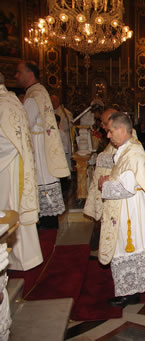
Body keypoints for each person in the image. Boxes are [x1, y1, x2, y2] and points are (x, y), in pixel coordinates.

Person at [98, 112, 145, 307]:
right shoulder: (129, 149)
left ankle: (129, 293)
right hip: (128, 209)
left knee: (126, 248)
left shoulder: (132, 153)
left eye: (110, 131)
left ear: (121, 129)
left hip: (128, 212)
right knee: (129, 248)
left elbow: (125, 188)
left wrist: (105, 184)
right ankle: (131, 290)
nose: (108, 136)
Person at [15, 61, 69, 229]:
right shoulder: (38, 92)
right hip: (42, 145)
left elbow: (24, 124)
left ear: (30, 74)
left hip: (37, 148)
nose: (16, 76)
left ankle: (44, 226)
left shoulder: (33, 96)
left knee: (41, 184)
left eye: (19, 72)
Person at [0, 72, 43, 271]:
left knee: (10, 208)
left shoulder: (4, 104)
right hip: (16, 164)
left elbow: (8, 144)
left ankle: (16, 258)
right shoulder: (12, 100)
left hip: (8, 167)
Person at [83, 108, 118, 222]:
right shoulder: (112, 135)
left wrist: (101, 158)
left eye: (104, 123)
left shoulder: (126, 133)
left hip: (114, 183)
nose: (102, 125)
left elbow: (124, 159)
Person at [51, 94, 73, 173]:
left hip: (63, 138)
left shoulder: (65, 113)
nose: (53, 103)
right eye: (51, 101)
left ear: (58, 101)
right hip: (52, 139)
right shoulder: (49, 111)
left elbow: (69, 124)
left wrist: (58, 128)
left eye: (54, 101)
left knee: (64, 159)